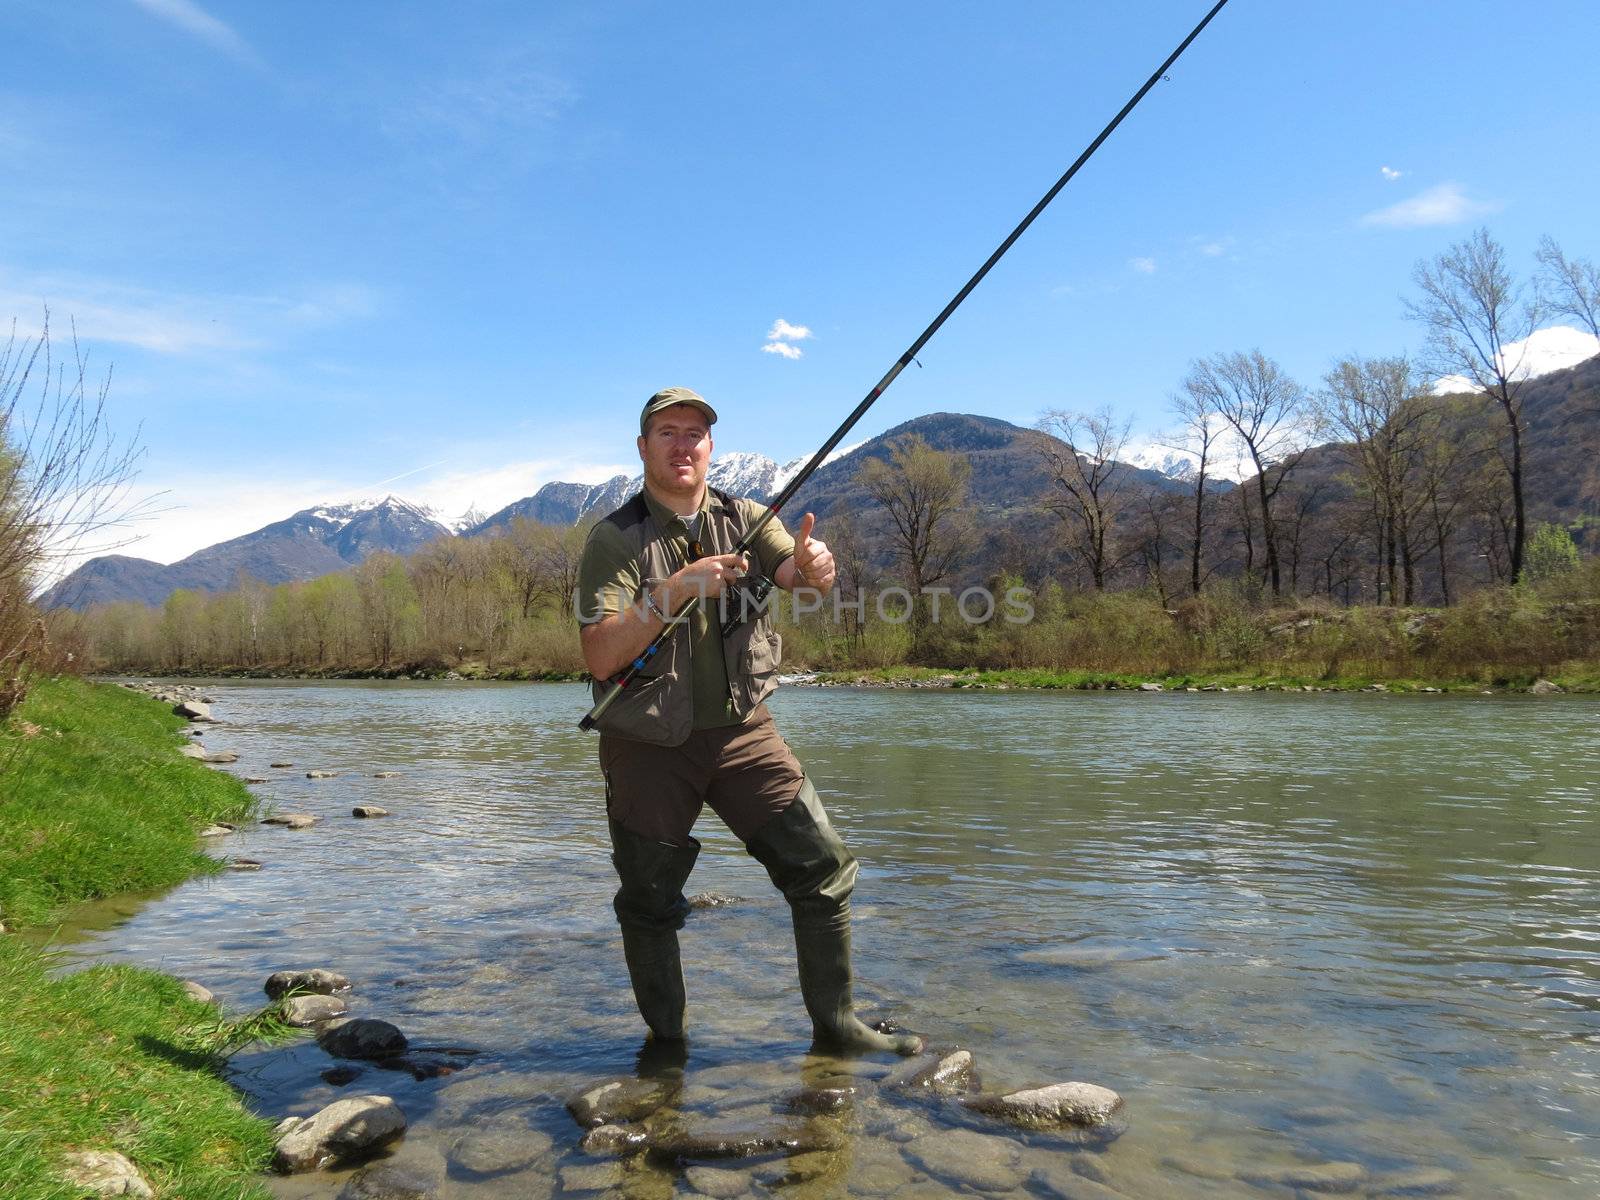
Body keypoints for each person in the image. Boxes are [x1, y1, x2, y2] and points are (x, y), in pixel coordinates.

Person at [576, 386, 920, 1056]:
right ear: (643, 447)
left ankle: (838, 1029)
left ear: (711, 447)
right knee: (649, 900)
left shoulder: (748, 517)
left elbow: (793, 568)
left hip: (742, 732)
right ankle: (667, 1048)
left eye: (696, 433)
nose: (684, 444)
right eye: (668, 432)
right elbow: (600, 650)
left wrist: (814, 567)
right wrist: (676, 589)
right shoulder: (613, 540)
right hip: (645, 743)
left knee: (823, 867)